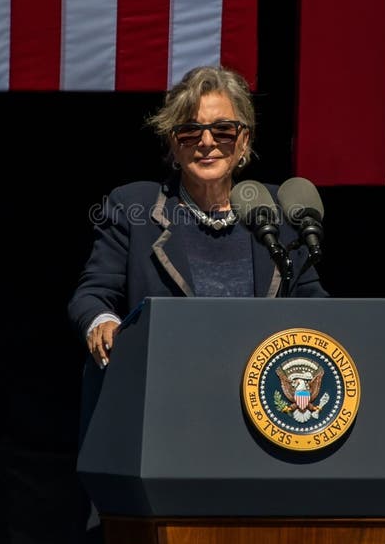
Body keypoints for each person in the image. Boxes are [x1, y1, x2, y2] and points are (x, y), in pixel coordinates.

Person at [68, 65, 327, 365]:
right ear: (173, 144)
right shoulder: (132, 206)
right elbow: (92, 294)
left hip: (261, 395)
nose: (207, 142)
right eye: (190, 131)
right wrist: (101, 322)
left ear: (244, 140)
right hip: (168, 383)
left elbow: (314, 302)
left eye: (223, 130)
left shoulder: (275, 208)